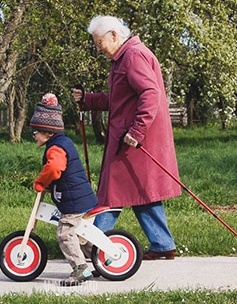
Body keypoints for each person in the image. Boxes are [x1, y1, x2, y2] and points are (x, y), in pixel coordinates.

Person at [72, 15, 181, 260]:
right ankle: (163, 244)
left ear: (113, 35)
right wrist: (89, 99)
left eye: (99, 41)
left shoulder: (133, 56)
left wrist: (137, 131)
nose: (97, 47)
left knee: (113, 192)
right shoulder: (124, 58)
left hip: (135, 140)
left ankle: (94, 243)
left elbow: (150, 94)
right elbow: (120, 100)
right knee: (139, 190)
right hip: (130, 137)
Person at [30, 93, 99, 286]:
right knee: (81, 235)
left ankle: (81, 269)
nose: (34, 135)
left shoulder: (55, 148)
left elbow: (54, 168)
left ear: (47, 131)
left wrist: (41, 182)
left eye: (35, 131)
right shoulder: (62, 142)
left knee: (65, 233)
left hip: (74, 201)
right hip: (79, 197)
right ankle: (101, 260)